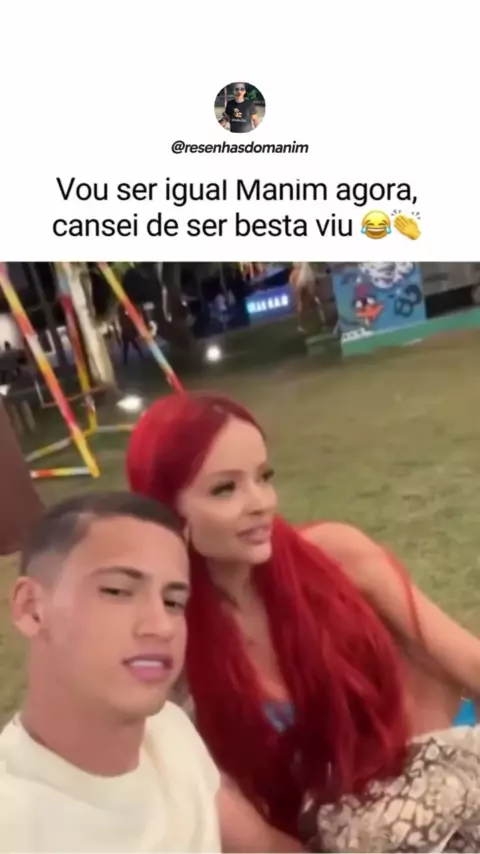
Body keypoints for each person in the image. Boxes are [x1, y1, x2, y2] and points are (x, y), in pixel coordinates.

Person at [126, 392, 480, 852]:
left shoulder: (335, 558)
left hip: (454, 765)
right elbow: (244, 828)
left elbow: (468, 661)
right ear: (166, 509)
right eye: (225, 489)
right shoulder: (170, 644)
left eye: (263, 477)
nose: (260, 502)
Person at [0, 491, 302, 853]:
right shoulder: (15, 822)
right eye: (118, 591)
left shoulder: (168, 732)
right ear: (32, 609)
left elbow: (264, 847)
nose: (162, 626)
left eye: (174, 602)